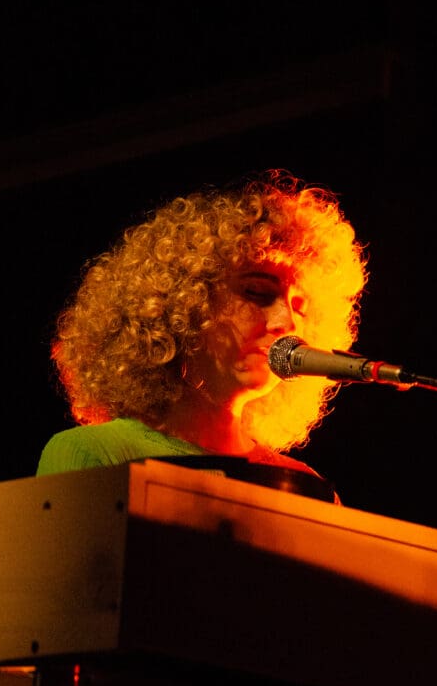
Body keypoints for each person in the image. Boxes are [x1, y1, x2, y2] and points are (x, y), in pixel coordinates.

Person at [36, 170, 368, 490]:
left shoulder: (304, 484)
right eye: (257, 292)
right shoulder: (95, 453)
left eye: (300, 307)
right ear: (180, 303)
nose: (289, 324)